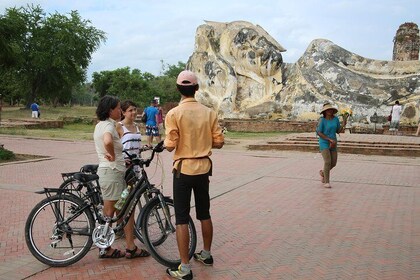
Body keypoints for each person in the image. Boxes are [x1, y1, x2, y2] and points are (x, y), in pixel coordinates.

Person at [164, 70, 224, 279]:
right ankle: (206, 254)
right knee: (204, 213)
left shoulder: (173, 114)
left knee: (181, 217)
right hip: (203, 169)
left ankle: (185, 268)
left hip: (183, 169)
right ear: (196, 89)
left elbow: (171, 145)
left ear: (179, 89)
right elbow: (219, 142)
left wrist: (166, 143)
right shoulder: (209, 113)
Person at [93, 95, 149, 259]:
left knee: (126, 209)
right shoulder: (110, 127)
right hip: (112, 174)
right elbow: (108, 141)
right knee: (109, 212)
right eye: (118, 108)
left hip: (115, 175)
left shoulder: (101, 125)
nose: (120, 110)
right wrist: (111, 154)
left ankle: (130, 247)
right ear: (110, 110)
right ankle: (105, 248)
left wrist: (118, 157)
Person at [316, 102, 347, 188]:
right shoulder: (322, 120)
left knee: (333, 163)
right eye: (327, 110)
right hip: (324, 142)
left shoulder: (335, 119)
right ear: (324, 112)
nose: (329, 111)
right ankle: (327, 182)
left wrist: (344, 123)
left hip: (333, 142)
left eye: (331, 109)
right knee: (327, 162)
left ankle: (323, 173)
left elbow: (338, 130)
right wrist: (328, 139)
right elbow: (319, 132)